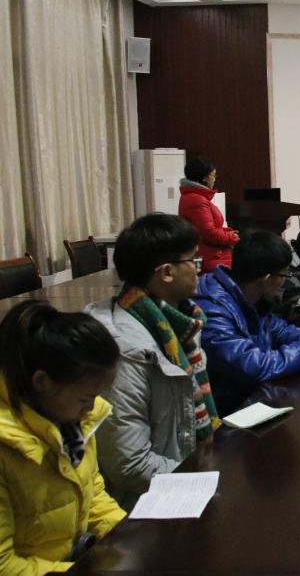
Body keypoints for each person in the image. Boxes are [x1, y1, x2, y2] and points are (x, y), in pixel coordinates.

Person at [87, 214, 219, 508]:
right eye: (194, 261)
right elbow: (130, 465)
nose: (200, 270)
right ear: (167, 273)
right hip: (147, 505)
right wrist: (203, 479)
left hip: (182, 479)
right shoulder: (126, 349)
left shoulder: (181, 324)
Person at [0, 301, 125, 574]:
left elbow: (92, 491)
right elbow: (4, 565)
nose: (91, 408)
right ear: (42, 382)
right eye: (85, 398)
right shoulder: (6, 447)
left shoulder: (72, 421)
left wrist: (128, 535)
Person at [195, 230, 300, 415]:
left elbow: (278, 329)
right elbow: (251, 365)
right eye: (284, 276)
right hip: (229, 416)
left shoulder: (248, 294)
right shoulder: (213, 309)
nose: (285, 283)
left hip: (254, 401)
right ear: (266, 279)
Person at [178, 154, 239, 273]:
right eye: (213, 175)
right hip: (211, 258)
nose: (215, 179)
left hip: (213, 255)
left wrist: (227, 232)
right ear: (205, 178)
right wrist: (231, 237)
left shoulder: (196, 197)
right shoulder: (196, 200)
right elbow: (208, 233)